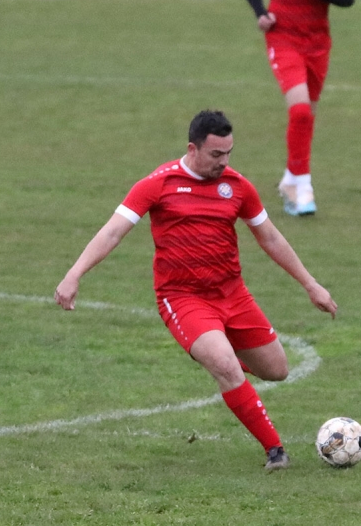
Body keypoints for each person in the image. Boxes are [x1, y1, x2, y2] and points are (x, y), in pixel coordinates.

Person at [54, 110, 337, 470]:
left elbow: (270, 237)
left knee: (277, 370)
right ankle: (275, 450)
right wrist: (74, 274)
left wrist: (311, 285)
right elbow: (113, 231)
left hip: (233, 294)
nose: (224, 162)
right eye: (216, 155)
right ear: (193, 148)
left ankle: (228, 365)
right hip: (183, 298)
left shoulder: (237, 186)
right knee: (227, 367)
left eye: (229, 153)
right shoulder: (159, 183)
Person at [242, 0, 355, 217]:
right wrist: (261, 13)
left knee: (308, 116)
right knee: (301, 112)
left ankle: (290, 177)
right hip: (283, 40)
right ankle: (302, 186)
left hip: (318, 44)